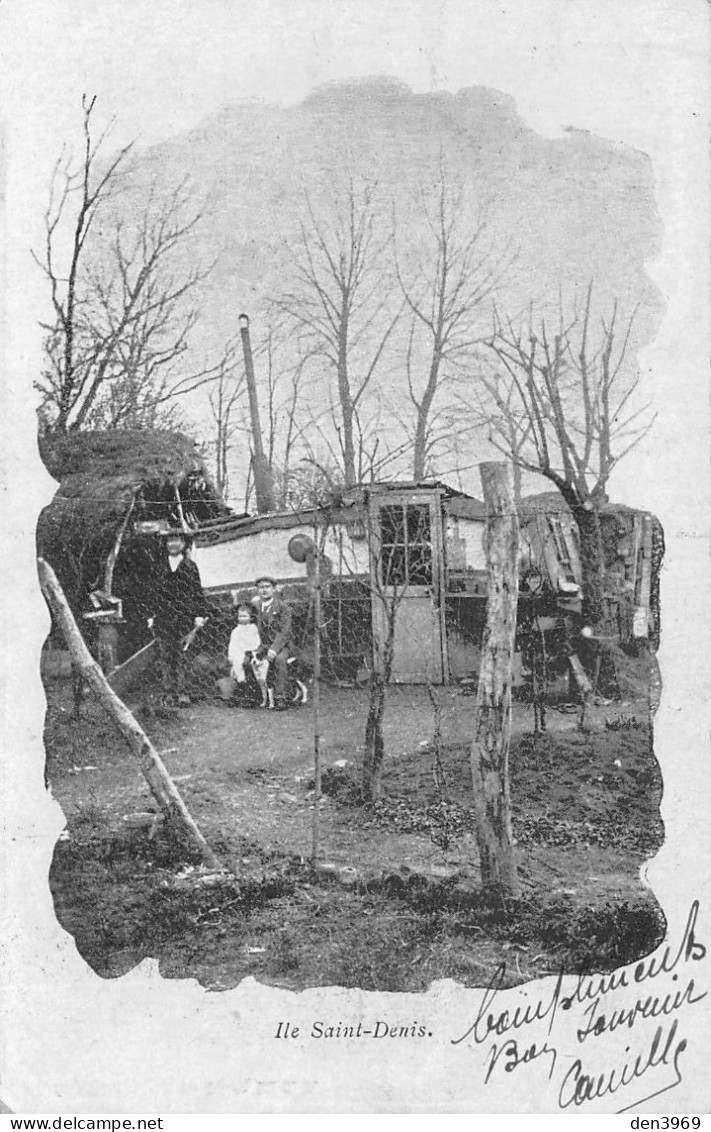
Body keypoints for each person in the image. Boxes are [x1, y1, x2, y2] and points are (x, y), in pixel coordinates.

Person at [147, 532, 207, 706]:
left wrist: (199, 615)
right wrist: (150, 615)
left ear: (183, 543)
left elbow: (197, 591)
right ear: (166, 544)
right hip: (163, 617)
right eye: (170, 540)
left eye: (177, 540)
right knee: (165, 655)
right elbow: (152, 593)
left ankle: (182, 693)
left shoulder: (190, 566)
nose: (173, 544)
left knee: (183, 655)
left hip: (184, 617)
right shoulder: (158, 566)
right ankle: (168, 692)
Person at [253, 575, 293, 710]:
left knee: (280, 659)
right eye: (261, 587)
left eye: (267, 587)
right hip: (261, 645)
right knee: (248, 660)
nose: (264, 590)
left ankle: (280, 696)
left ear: (274, 589)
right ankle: (253, 695)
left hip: (280, 646)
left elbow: (285, 631)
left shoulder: (282, 607)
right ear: (257, 590)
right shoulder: (255, 607)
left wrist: (274, 649)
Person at [227, 604, 261, 688]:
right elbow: (233, 644)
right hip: (239, 652)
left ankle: (254, 684)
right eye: (240, 616)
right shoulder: (236, 631)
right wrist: (231, 655)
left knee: (250, 663)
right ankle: (242, 682)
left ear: (251, 618)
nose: (242, 618)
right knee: (237, 662)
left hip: (250, 652)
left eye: (245, 616)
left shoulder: (253, 628)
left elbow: (256, 641)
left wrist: (252, 649)